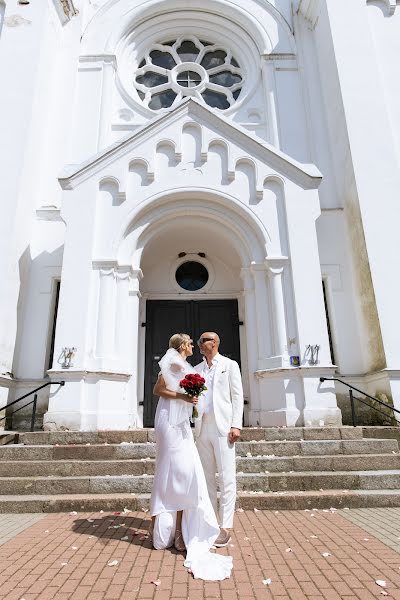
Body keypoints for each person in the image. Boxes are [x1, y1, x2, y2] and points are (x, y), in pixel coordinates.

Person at [150, 333, 233, 581]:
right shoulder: (173, 361)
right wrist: (185, 397)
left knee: (183, 472)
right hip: (170, 421)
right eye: (189, 343)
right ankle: (169, 528)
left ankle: (178, 529)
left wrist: (191, 401)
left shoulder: (184, 365)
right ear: (182, 346)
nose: (193, 346)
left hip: (183, 422)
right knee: (175, 470)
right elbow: (158, 389)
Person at [194, 332, 244, 548]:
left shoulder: (229, 365)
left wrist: (236, 424)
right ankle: (210, 522)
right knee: (205, 478)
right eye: (199, 341)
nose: (199, 344)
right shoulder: (196, 370)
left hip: (223, 427)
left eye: (203, 340)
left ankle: (226, 525)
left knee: (226, 476)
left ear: (214, 343)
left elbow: (237, 396)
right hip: (202, 427)